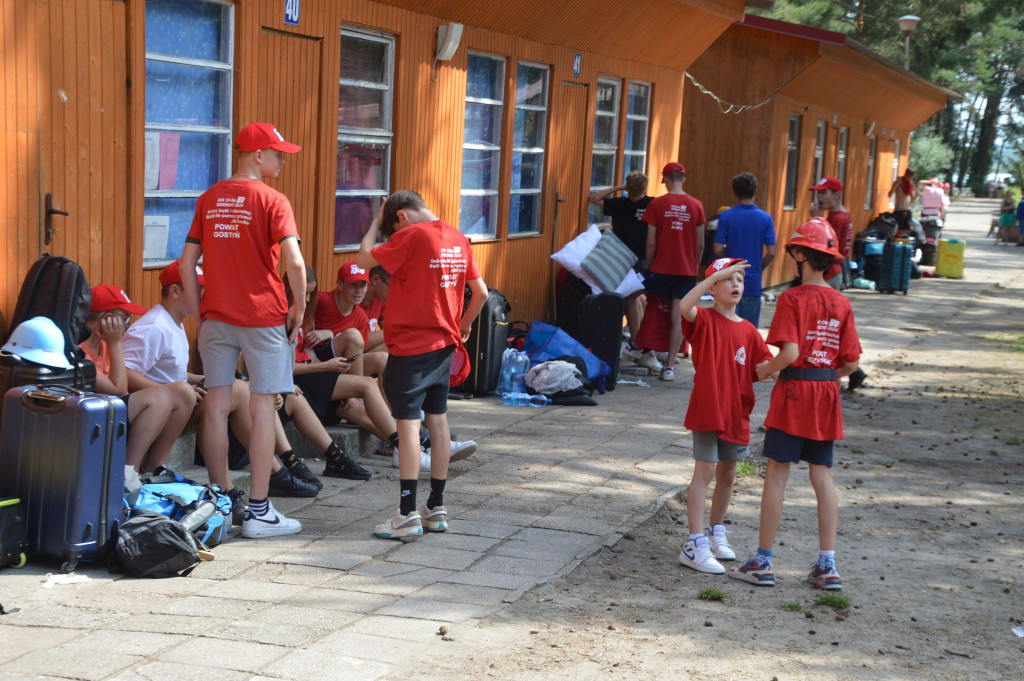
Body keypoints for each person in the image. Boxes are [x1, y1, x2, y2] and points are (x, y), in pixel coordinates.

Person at [179, 121, 307, 539]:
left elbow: (186, 266)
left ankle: (220, 500)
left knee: (215, 404)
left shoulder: (209, 198)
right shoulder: (273, 200)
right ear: (257, 155)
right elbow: (295, 263)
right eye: (277, 153)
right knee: (262, 405)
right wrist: (299, 307)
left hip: (216, 317)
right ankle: (258, 510)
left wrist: (201, 312)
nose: (282, 160)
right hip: (263, 315)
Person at [123, 262, 318, 520]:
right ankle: (251, 480)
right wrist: (173, 389)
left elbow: (170, 372)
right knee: (235, 392)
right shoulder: (153, 326)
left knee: (239, 389)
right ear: (174, 292)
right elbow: (125, 373)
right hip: (162, 404)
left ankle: (268, 472)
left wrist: (195, 379)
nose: (203, 297)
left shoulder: (175, 322)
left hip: (178, 399)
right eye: (197, 289)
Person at [728, 218, 861, 591]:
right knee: (822, 474)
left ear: (801, 255)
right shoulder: (841, 301)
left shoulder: (791, 298)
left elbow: (789, 352)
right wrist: (826, 377)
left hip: (794, 395)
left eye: (793, 253)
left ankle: (763, 561)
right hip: (826, 396)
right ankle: (827, 565)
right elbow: (851, 363)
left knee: (777, 473)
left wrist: (765, 370)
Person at [357, 190, 488, 539]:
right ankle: (436, 507)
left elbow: (364, 260)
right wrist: (466, 322)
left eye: (391, 229)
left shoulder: (412, 235)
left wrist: (374, 222)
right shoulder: (458, 237)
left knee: (409, 427)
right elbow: (482, 291)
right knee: (439, 422)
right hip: (444, 344)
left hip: (410, 347)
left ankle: (405, 515)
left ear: (401, 216)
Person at [676, 257, 772, 574]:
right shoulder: (702, 319)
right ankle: (693, 543)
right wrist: (710, 278)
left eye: (740, 281)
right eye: (728, 279)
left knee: (727, 476)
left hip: (737, 413)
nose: (735, 285)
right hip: (707, 408)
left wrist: (790, 364)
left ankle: (716, 532)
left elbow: (764, 368)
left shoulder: (749, 331)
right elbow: (684, 305)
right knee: (704, 472)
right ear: (713, 287)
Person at [80, 284, 191, 474]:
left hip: (113, 410)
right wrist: (115, 343)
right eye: (125, 319)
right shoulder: (81, 349)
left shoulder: (104, 343)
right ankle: (127, 473)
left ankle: (153, 467)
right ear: (106, 319)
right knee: (160, 397)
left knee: (181, 393)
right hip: (94, 419)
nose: (127, 325)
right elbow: (119, 390)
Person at [588, 172, 659, 372]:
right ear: (645, 188)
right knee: (636, 298)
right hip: (641, 259)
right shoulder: (651, 204)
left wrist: (619, 188)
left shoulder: (620, 203)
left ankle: (642, 346)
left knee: (633, 298)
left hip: (621, 258)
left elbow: (594, 199)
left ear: (628, 189)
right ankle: (642, 346)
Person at [641, 162, 706, 381]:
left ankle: (646, 351)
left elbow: (650, 241)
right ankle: (669, 366)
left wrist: (651, 265)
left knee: (645, 303)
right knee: (678, 314)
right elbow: (700, 244)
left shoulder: (657, 204)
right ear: (684, 179)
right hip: (685, 269)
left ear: (666, 180)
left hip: (661, 267)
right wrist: (693, 266)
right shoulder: (697, 205)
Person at [809, 177, 867, 392]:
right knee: (832, 323)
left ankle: (843, 372)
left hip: (831, 272)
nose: (819, 197)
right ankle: (852, 371)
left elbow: (822, 247)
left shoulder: (835, 219)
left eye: (824, 193)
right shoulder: (840, 215)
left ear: (836, 195)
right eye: (818, 192)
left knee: (827, 325)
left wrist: (816, 220)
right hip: (835, 272)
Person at [712, 172, 777, 327]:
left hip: (729, 279)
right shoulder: (765, 218)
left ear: (735, 193)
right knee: (748, 330)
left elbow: (717, 248)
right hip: (753, 279)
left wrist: (727, 254)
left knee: (728, 328)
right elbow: (772, 252)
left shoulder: (727, 216)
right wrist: (760, 267)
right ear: (755, 192)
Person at [309, 262, 369, 376]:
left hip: (341, 362)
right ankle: (357, 389)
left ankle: (360, 388)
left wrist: (330, 333)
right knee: (353, 335)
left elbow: (357, 352)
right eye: (353, 284)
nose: (358, 290)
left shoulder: (361, 317)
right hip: (314, 357)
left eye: (363, 285)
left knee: (381, 358)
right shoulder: (320, 300)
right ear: (340, 285)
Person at [888, 167, 917, 234]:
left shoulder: (911, 185)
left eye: (912, 177)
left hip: (907, 210)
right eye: (910, 177)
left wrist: (916, 195)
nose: (911, 179)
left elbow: (912, 200)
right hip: (899, 211)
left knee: (907, 231)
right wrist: (895, 185)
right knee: (897, 231)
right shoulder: (899, 182)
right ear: (906, 175)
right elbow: (889, 195)